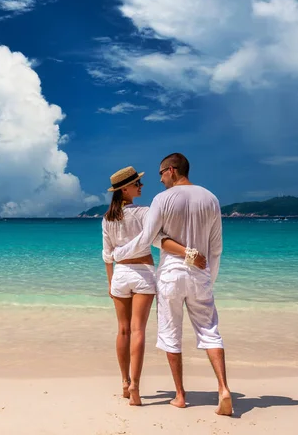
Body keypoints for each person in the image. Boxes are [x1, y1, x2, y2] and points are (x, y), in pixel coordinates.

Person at [112, 154, 232, 416]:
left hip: (171, 276)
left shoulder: (162, 200)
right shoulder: (211, 198)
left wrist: (119, 255)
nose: (159, 179)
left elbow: (148, 238)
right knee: (210, 332)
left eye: (161, 173)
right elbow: (216, 247)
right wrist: (209, 278)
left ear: (171, 170)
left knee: (170, 334)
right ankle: (223, 388)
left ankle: (180, 395)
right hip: (200, 274)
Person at [102, 166, 206, 406]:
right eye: (137, 183)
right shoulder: (145, 213)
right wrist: (190, 255)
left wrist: (110, 283)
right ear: (124, 189)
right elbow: (160, 241)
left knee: (123, 330)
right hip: (143, 273)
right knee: (137, 330)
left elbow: (107, 255)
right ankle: (136, 388)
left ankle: (125, 383)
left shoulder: (108, 219)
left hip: (120, 274)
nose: (141, 186)